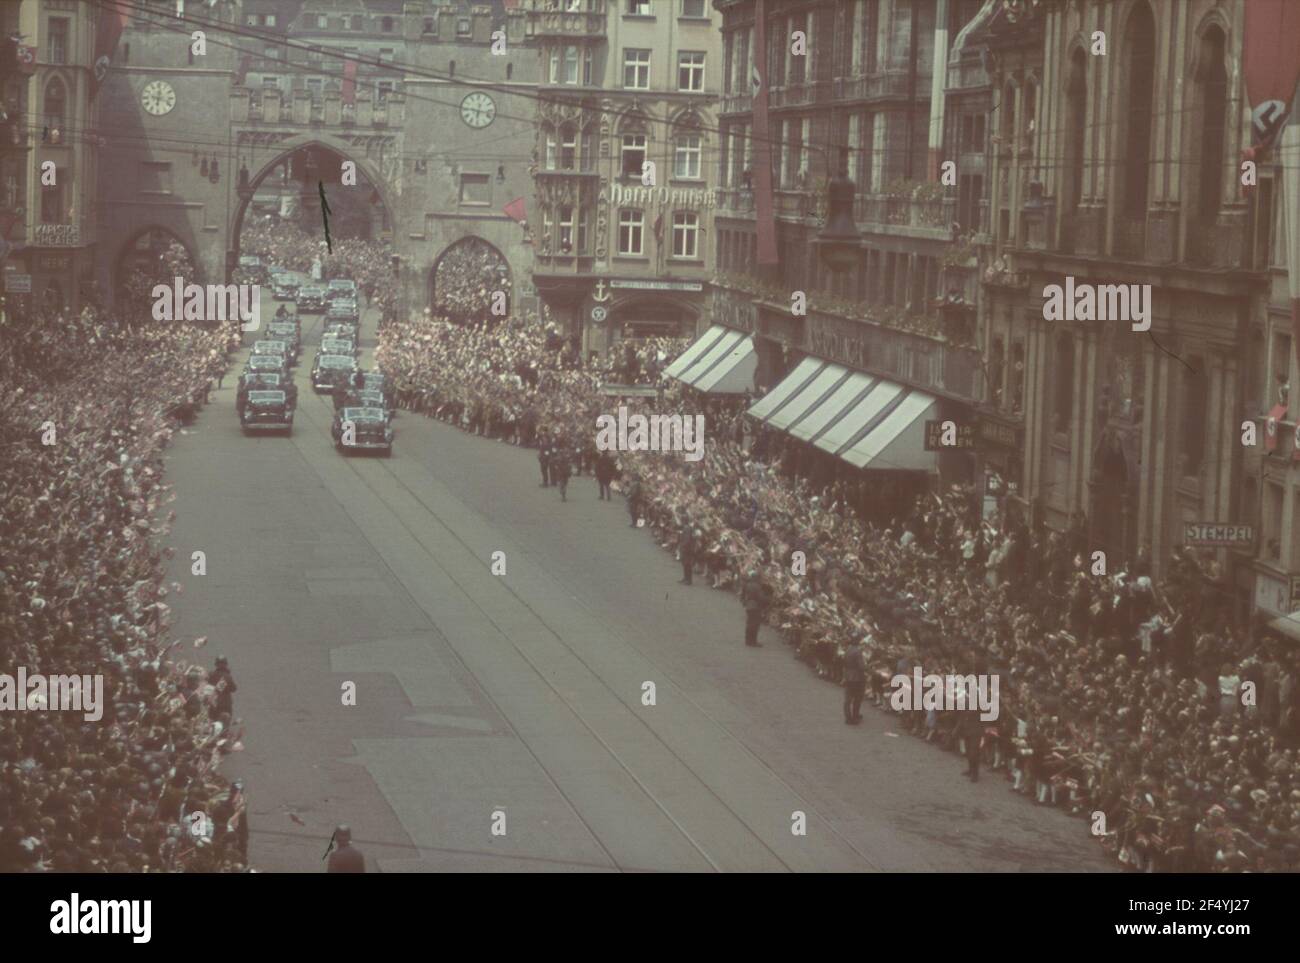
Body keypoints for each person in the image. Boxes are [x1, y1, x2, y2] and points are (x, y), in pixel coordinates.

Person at [740, 569, 771, 648]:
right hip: (756, 606)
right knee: (755, 624)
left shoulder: (747, 584)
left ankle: (748, 640)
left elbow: (742, 595)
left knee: (749, 623)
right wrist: (768, 599)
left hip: (749, 605)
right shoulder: (757, 586)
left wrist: (744, 602)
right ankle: (753, 641)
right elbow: (760, 597)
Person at [841, 637, 867, 724]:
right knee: (857, 697)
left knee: (848, 698)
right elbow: (862, 666)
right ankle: (854, 716)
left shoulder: (848, 650)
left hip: (848, 675)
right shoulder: (858, 652)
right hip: (857, 677)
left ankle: (848, 716)